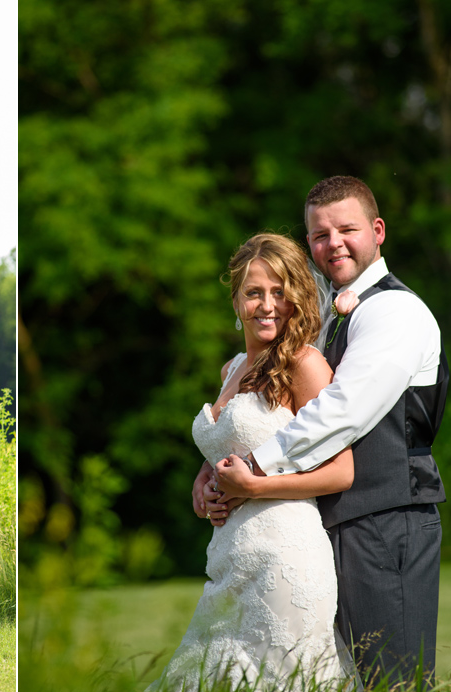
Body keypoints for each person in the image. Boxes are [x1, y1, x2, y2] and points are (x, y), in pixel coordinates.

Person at [203, 176, 448, 684]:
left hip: (387, 518)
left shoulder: (394, 311)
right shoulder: (323, 318)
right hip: (321, 527)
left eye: (346, 229)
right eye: (319, 234)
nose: (332, 243)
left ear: (377, 231)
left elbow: (342, 411)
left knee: (393, 677)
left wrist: (252, 467)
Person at [148, 233, 355, 692]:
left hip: (285, 559)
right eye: (254, 292)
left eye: (279, 293)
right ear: (236, 299)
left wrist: (253, 489)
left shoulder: (305, 365)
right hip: (229, 561)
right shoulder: (232, 368)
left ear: (296, 298)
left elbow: (343, 470)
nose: (267, 305)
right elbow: (227, 451)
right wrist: (204, 488)